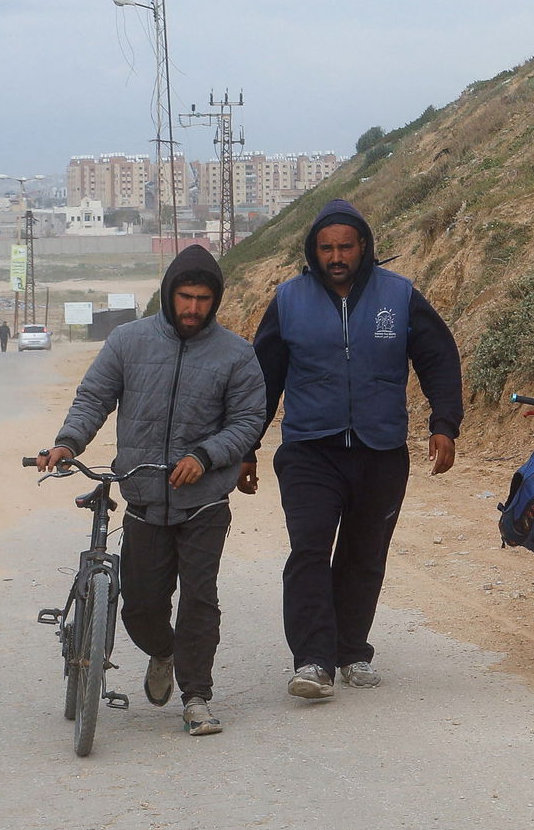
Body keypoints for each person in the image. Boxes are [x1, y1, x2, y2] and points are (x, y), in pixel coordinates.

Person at [35, 245, 265, 736]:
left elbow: (248, 421)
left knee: (200, 599)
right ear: (168, 293)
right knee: (140, 607)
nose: (193, 309)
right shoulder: (127, 341)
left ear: (215, 301)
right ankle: (163, 652)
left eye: (204, 299)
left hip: (204, 501)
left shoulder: (236, 353)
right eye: (186, 296)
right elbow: (93, 397)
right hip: (141, 499)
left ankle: (197, 696)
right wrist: (67, 443)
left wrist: (204, 456)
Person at [244, 199, 463, 701]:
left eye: (346, 246)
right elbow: (263, 380)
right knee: (310, 548)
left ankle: (351, 650)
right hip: (309, 449)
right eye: (327, 248)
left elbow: (438, 359)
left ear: (364, 246)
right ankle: (312, 660)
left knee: (365, 554)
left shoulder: (400, 296)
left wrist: (444, 423)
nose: (337, 256)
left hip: (380, 448)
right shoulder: (288, 300)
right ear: (313, 251)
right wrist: (246, 446)